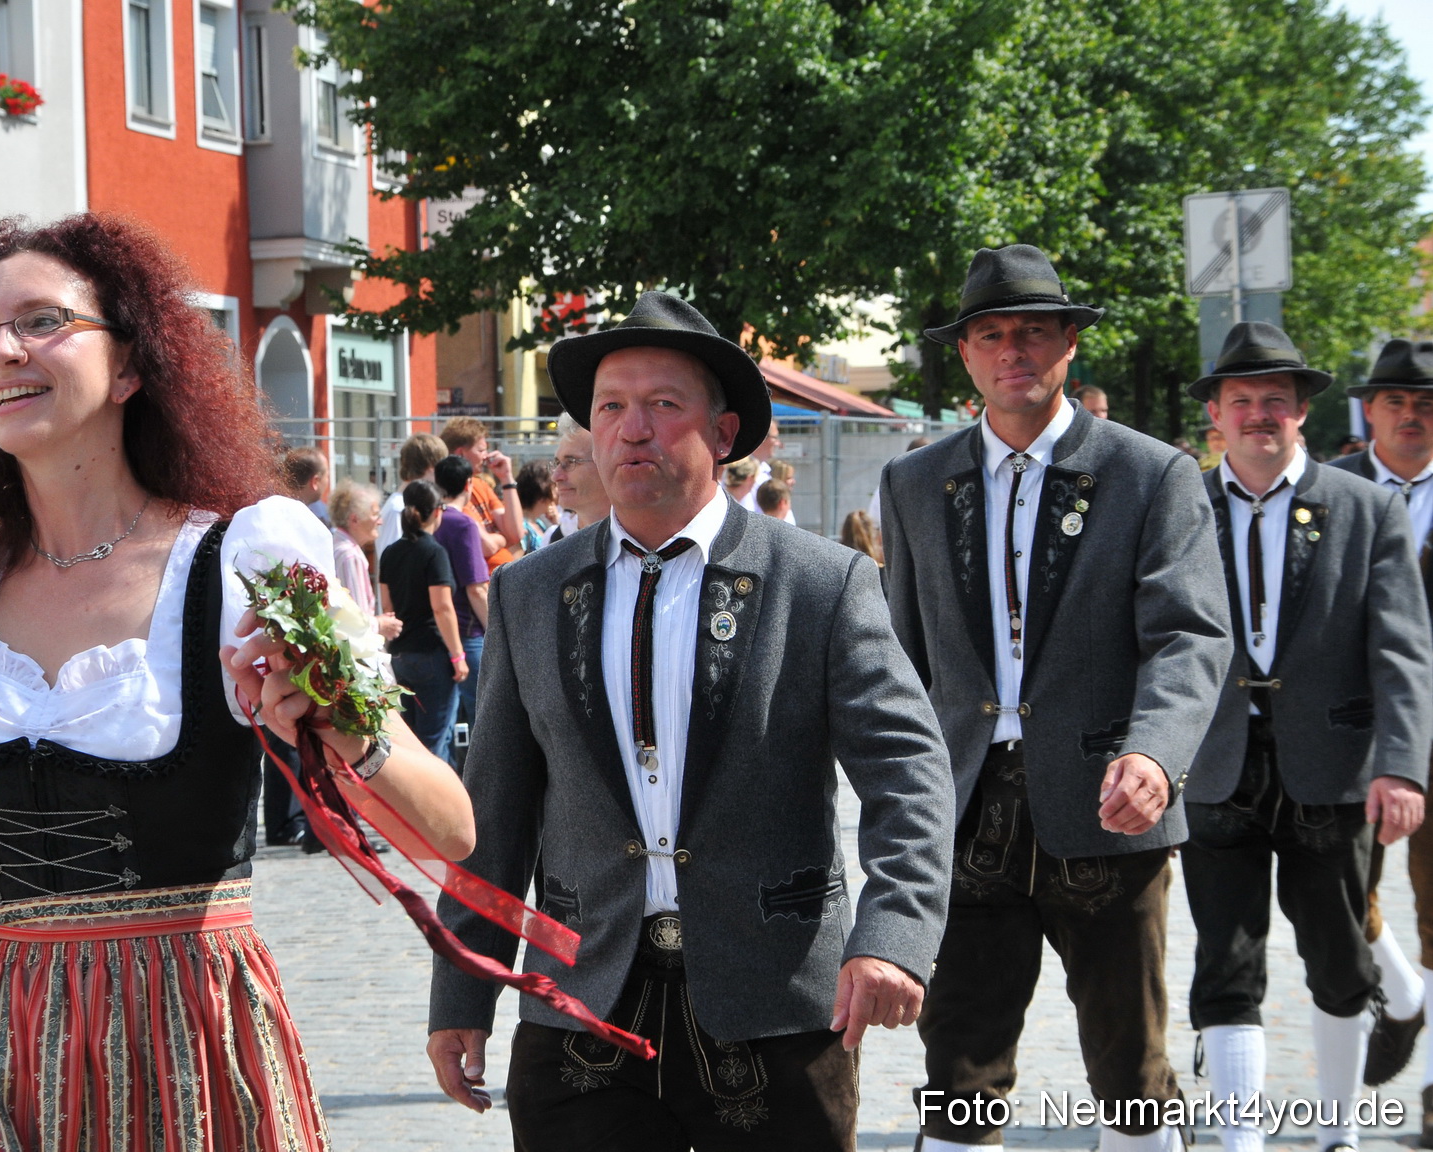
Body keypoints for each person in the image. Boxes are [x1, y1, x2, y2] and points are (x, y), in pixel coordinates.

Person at [0, 213, 473, 1149]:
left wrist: (337, 719)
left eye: (41, 322)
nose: (4, 350)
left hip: (181, 1029)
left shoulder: (245, 554)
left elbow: (447, 829)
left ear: (129, 366)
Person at [427, 291, 956, 1151]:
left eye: (662, 405)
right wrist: (462, 991)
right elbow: (495, 813)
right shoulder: (531, 592)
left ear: (721, 433)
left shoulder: (818, 584)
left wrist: (894, 934)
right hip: (583, 1001)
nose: (631, 429)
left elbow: (909, 775)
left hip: (773, 1002)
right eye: (610, 407)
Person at [880, 244, 1232, 1152]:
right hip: (963, 812)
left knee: (1132, 1080)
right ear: (964, 353)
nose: (1012, 353)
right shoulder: (914, 482)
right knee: (956, 1073)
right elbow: (900, 658)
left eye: (1032, 333)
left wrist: (1154, 751)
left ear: (1069, 343)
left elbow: (1188, 635)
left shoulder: (1150, 473)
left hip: (1109, 806)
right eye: (990, 335)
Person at [1180, 322, 1433, 1152]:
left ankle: (1336, 1132)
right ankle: (1241, 1141)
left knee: (1337, 960)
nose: (1259, 415)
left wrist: (1399, 766)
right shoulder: (1177, 510)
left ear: (1302, 413)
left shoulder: (1365, 510)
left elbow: (1400, 651)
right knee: (1224, 965)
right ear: (1215, 412)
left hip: (1332, 769)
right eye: (1242, 400)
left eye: (1275, 402)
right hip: (1215, 768)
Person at [1328, 339, 1433, 1110]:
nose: (1410, 417)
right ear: (1369, 410)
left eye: (1426, 404)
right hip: (1350, 737)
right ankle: (1399, 994)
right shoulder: (1330, 492)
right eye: (1395, 402)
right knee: (1339, 898)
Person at [379, 481, 468, 764]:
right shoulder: (434, 552)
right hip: (431, 654)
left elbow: (389, 608)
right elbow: (442, 608)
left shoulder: (390, 552)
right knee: (434, 745)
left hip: (401, 655)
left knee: (409, 745)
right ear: (437, 512)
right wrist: (458, 656)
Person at [432, 456, 491, 741]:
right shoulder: (463, 525)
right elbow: (476, 588)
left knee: (443, 727)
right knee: (482, 722)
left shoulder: (429, 519)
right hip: (468, 633)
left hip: (434, 631)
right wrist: (496, 632)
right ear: (469, 484)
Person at [440, 416, 519, 572]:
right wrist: (502, 537)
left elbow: (515, 533)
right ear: (460, 453)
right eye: (481, 450)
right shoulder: (449, 492)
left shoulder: (480, 485)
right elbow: (486, 546)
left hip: (501, 581)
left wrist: (506, 478)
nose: (486, 456)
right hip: (482, 586)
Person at [328, 479, 401, 641]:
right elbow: (355, 620)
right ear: (354, 520)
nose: (380, 521)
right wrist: (380, 624)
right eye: (375, 514)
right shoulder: (350, 555)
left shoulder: (338, 545)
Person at [376, 433, 448, 576]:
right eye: (441, 466)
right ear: (430, 467)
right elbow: (393, 564)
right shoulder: (398, 508)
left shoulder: (407, 503)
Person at [546, 414, 608, 543]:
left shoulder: (647, 543)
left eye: (570, 462)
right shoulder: (553, 541)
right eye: (557, 463)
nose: (556, 477)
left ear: (607, 464)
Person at [285, 444, 332, 525]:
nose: (328, 481)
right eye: (327, 476)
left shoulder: (269, 508)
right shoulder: (311, 524)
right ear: (315, 481)